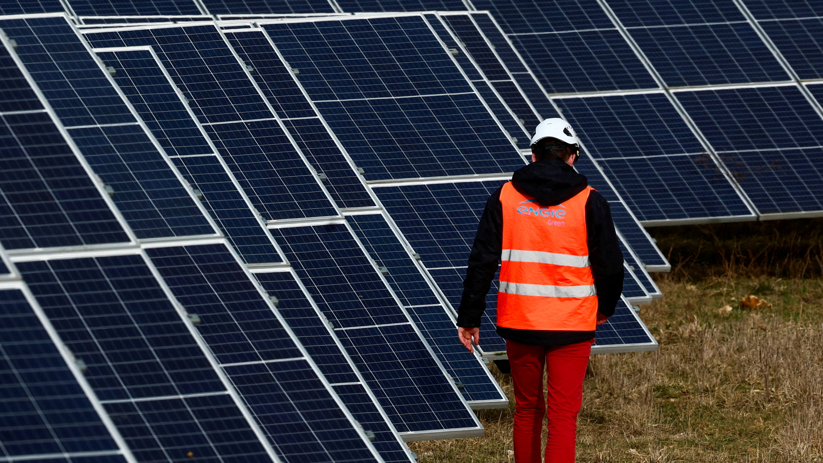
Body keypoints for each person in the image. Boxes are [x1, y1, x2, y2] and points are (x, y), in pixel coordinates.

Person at [456, 118, 624, 463]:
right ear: (572, 157)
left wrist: (470, 317)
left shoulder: (504, 196)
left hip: (520, 322)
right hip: (573, 325)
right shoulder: (590, 201)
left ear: (533, 156)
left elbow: (481, 261)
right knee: (563, 416)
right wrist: (604, 307)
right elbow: (609, 265)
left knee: (528, 409)